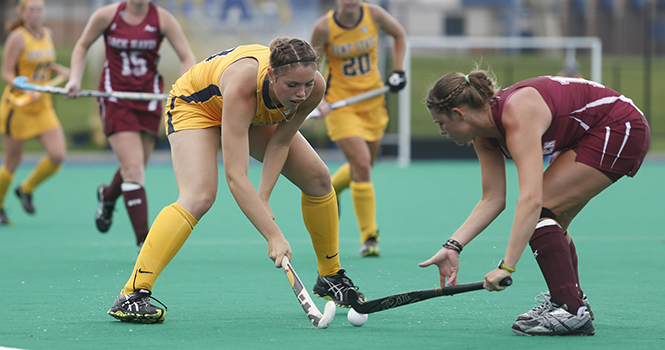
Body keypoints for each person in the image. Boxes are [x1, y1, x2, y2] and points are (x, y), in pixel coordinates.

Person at [106, 38, 366, 324]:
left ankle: (330, 277)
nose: (301, 93)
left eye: (306, 84)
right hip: (196, 106)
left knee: (318, 178)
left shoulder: (313, 88)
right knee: (199, 196)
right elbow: (236, 176)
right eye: (291, 85)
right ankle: (131, 295)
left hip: (247, 115)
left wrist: (263, 196)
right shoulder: (244, 86)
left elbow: (280, 142)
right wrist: (273, 235)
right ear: (271, 75)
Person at [419, 71, 650, 336]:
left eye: (441, 122)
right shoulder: (484, 136)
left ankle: (570, 309)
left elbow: (531, 199)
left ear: (460, 114)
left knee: (540, 213)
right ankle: (570, 300)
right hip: (591, 133)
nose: (440, 131)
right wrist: (453, 246)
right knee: (551, 221)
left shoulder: (517, 113)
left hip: (620, 126)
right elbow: (492, 199)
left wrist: (506, 267)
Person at [65, 0, 196, 250]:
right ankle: (144, 242)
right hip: (116, 99)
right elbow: (82, 45)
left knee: (133, 167)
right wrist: (74, 78)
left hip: (148, 100)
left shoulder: (163, 19)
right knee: (134, 168)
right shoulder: (107, 16)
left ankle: (108, 195)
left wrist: (182, 84)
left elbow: (186, 55)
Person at [310, 0, 407, 257]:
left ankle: (332, 187)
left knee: (363, 167)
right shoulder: (324, 28)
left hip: (373, 102)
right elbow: (312, 67)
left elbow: (399, 35)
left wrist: (398, 70)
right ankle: (370, 238)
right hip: (341, 107)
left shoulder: (374, 15)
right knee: (362, 165)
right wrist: (320, 100)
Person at [0, 0, 70, 225]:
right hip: (18, 106)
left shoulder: (47, 34)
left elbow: (44, 63)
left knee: (58, 155)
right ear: (23, 13)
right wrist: (23, 86)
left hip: (43, 106)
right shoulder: (18, 37)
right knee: (13, 160)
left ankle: (26, 189)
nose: (36, 13)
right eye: (31, 9)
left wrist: (59, 69)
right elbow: (7, 73)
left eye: (39, 9)